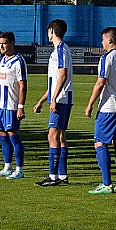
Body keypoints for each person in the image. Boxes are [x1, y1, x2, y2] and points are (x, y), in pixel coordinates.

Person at [86, 27, 116, 194]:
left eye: (103, 40)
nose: (102, 43)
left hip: (110, 106)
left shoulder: (107, 57)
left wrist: (90, 104)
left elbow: (101, 83)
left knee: (100, 142)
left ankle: (107, 184)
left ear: (110, 41)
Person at [33, 19, 73, 186]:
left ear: (51, 31)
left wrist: (54, 99)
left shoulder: (60, 50)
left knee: (52, 136)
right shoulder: (60, 50)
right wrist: (42, 100)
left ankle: (53, 176)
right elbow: (56, 80)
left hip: (61, 99)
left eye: (48, 30)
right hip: (62, 98)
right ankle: (62, 176)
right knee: (61, 137)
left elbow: (62, 75)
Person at [0, 31, 27, 179]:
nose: (1, 46)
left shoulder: (18, 61)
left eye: (5, 43)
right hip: (0, 106)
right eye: (0, 43)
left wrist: (20, 106)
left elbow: (23, 85)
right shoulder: (1, 60)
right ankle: (7, 166)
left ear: (12, 43)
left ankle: (19, 169)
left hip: (11, 105)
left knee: (13, 136)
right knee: (2, 135)